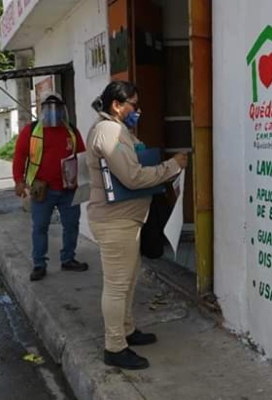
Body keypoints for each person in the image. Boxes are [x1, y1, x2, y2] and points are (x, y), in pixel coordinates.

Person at [86, 81, 188, 370]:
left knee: (128, 280)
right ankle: (114, 346)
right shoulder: (110, 131)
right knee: (117, 286)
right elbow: (132, 177)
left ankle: (127, 330)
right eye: (133, 104)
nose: (138, 110)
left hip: (126, 219)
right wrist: (173, 166)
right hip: (115, 221)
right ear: (117, 106)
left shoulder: (118, 130)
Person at [12, 92, 90, 281]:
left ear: (63, 110)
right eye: (48, 108)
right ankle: (39, 265)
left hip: (68, 190)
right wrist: (19, 181)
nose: (53, 112)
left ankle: (68, 259)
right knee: (40, 227)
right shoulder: (31, 132)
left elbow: (81, 156)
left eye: (57, 108)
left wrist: (84, 182)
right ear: (42, 110)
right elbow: (20, 156)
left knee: (71, 226)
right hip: (43, 190)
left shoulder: (71, 130)